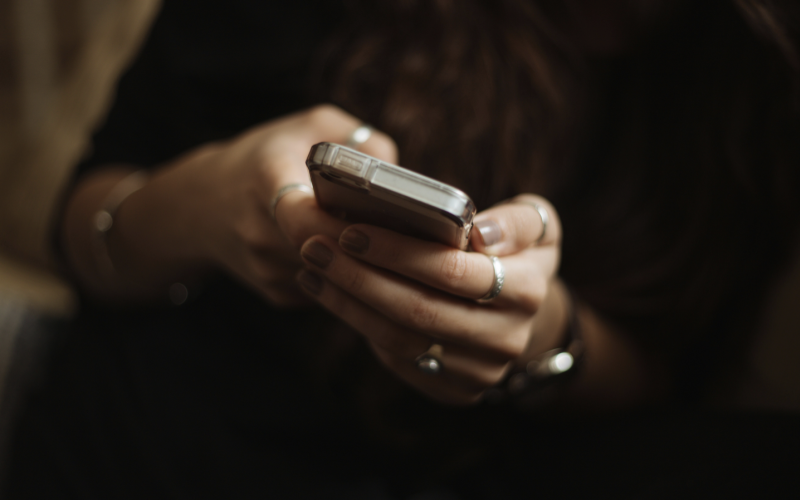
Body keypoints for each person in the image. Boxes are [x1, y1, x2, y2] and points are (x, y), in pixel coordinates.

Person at [8, 0, 800, 498]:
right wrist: (212, 198)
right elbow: (82, 233)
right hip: (165, 439)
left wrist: (546, 335)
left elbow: (675, 383)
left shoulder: (760, 63)